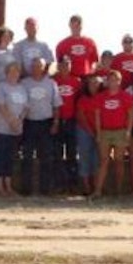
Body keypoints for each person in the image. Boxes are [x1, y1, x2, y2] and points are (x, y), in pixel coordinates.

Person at [20, 57, 62, 196]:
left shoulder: (51, 83)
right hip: (29, 123)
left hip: (46, 123)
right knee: (27, 156)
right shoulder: (24, 83)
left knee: (46, 156)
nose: (36, 68)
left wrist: (56, 122)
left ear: (44, 67)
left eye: (39, 66)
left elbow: (56, 105)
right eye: (34, 66)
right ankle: (26, 188)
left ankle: (46, 188)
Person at [93, 69, 133, 198]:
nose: (112, 83)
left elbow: (130, 114)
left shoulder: (125, 96)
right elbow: (97, 115)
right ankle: (98, 190)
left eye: (115, 80)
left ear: (119, 81)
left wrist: (128, 130)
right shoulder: (101, 96)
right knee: (104, 160)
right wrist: (98, 132)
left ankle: (118, 189)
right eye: (110, 80)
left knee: (119, 161)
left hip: (120, 131)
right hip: (105, 131)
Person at [0, 61, 27, 198]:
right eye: (11, 71)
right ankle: (0, 187)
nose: (14, 74)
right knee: (1, 156)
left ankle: (9, 186)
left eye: (16, 71)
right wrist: (11, 120)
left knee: (10, 158)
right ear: (6, 73)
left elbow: (26, 107)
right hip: (1, 127)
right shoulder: (2, 87)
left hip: (16, 129)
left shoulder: (22, 88)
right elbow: (0, 105)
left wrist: (19, 120)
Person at [52, 55, 81, 193]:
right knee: (57, 154)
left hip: (71, 121)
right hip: (56, 120)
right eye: (62, 64)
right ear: (58, 66)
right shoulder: (53, 81)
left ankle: (72, 184)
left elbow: (80, 102)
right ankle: (59, 184)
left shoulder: (77, 81)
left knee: (72, 154)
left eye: (67, 64)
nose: (65, 66)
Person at [75, 74, 105, 195]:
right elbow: (81, 117)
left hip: (100, 131)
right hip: (84, 131)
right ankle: (86, 187)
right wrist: (90, 131)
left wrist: (99, 131)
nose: (94, 85)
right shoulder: (83, 99)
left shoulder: (104, 97)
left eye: (97, 83)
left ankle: (96, 187)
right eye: (92, 83)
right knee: (85, 157)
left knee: (97, 159)